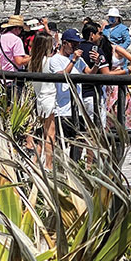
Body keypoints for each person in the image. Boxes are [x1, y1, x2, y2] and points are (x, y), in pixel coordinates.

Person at [48, 27, 92, 160]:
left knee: (79, 143)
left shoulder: (77, 59)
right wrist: (73, 61)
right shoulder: (55, 60)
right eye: (73, 44)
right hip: (63, 109)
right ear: (65, 43)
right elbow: (62, 76)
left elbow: (89, 73)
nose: (76, 47)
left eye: (78, 44)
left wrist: (97, 63)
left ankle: (76, 167)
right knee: (62, 144)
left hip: (77, 108)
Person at [28, 30, 57, 168]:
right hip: (49, 97)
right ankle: (49, 166)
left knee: (41, 133)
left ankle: (35, 162)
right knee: (51, 135)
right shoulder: (50, 62)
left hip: (40, 98)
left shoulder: (33, 62)